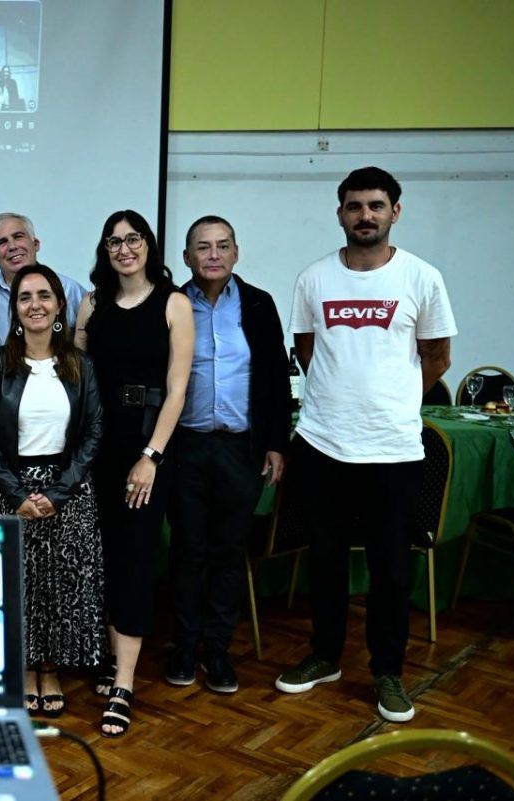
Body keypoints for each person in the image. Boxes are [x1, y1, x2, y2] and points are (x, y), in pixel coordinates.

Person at [276, 167, 456, 723]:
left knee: (391, 570)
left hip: (393, 450)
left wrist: (392, 404)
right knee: (325, 561)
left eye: (376, 205)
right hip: (323, 444)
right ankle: (325, 656)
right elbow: (306, 349)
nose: (365, 215)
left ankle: (388, 671)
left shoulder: (422, 278)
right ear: (340, 214)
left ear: (395, 211)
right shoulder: (314, 278)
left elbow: (438, 357)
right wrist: (342, 401)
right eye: (355, 206)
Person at [74, 210, 193, 737]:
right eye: (114, 241)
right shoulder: (92, 304)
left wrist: (151, 456)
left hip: (147, 446)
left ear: (148, 245)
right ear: (105, 250)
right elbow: (75, 377)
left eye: (133, 239)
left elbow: (178, 389)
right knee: (101, 557)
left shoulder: (174, 303)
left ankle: (124, 683)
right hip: (97, 445)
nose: (124, 249)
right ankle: (108, 658)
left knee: (136, 557)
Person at [164, 215, 292, 694]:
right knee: (187, 549)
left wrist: (276, 442)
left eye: (222, 245)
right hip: (187, 446)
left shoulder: (258, 303)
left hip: (241, 447)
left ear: (236, 253)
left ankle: (217, 649)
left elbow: (276, 378)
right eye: (203, 247)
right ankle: (184, 644)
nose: (213, 254)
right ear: (187, 257)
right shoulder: (173, 303)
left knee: (229, 551)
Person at [0, 264, 105, 719]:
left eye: (44, 295)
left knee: (59, 588)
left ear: (59, 305)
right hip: (9, 490)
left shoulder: (81, 365)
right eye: (25, 297)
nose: (35, 305)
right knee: (18, 586)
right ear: (14, 309)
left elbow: (93, 432)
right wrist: (16, 494)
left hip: (66, 491)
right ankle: (25, 668)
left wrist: (59, 492)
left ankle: (50, 669)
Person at [0, 213, 87, 350]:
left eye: (18, 237)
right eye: (2, 242)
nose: (12, 246)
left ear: (36, 244)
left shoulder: (70, 290)